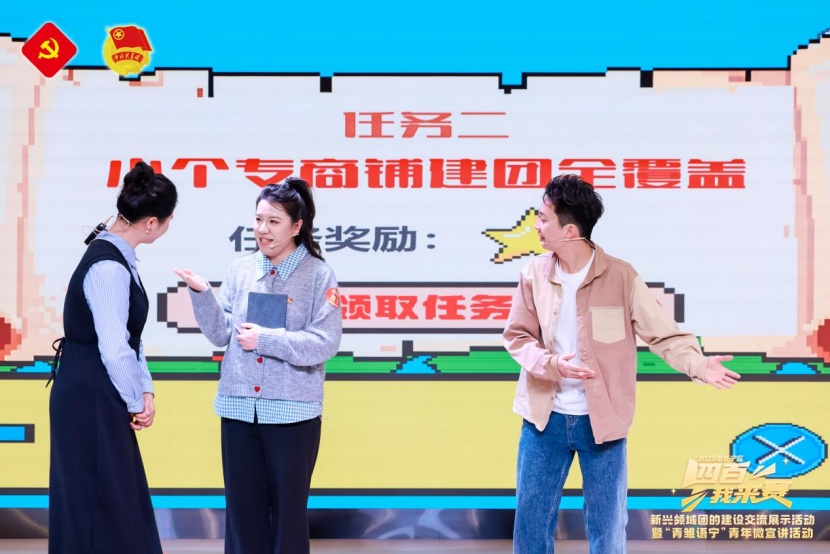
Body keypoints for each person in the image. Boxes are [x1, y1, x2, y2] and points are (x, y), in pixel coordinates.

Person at [503, 174, 740, 554]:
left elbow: (664, 335)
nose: (536, 225)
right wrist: (552, 364)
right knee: (531, 525)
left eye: (544, 218)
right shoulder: (533, 274)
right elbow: (517, 337)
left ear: (569, 230)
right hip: (543, 420)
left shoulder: (621, 276)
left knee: (608, 528)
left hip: (603, 421)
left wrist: (698, 364)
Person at [175, 177, 342, 554]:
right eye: (258, 220)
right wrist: (202, 295)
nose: (262, 230)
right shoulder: (241, 269)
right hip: (238, 408)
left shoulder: (318, 275)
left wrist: (267, 339)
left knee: (288, 518)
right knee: (242, 514)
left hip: (292, 413)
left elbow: (325, 342)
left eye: (273, 221)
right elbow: (221, 334)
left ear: (296, 226)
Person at [49, 161, 178, 554]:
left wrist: (145, 390)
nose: (169, 225)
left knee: (111, 497)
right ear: (151, 223)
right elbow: (114, 347)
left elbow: (128, 339)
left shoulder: (117, 256)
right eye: (169, 219)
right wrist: (136, 399)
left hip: (95, 388)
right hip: (90, 391)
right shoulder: (108, 265)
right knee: (101, 501)